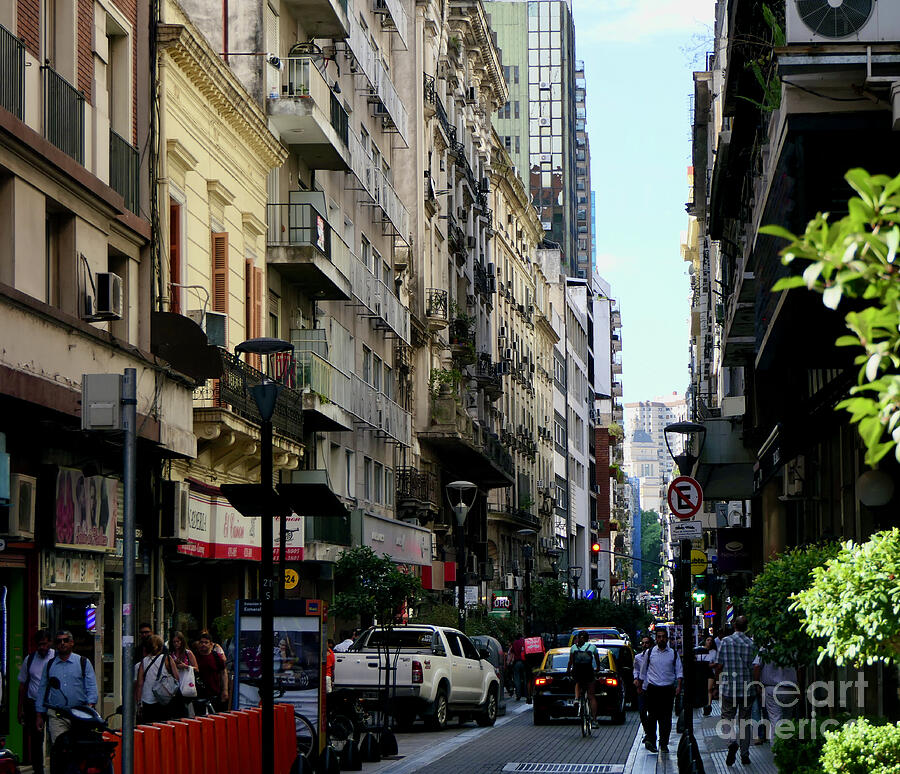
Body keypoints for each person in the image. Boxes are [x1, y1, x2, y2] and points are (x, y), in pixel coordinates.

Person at [34, 631, 99, 752]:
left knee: (80, 749)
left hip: (80, 714)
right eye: (59, 641)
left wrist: (90, 707)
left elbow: (91, 687)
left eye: (65, 640)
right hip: (57, 715)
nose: (62, 643)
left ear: (72, 643)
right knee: (60, 749)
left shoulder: (83, 662)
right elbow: (42, 690)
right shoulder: (49, 665)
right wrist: (39, 715)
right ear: (55, 644)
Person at [715, 615, 759, 767]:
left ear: (734, 625)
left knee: (726, 718)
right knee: (745, 722)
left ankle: (731, 742)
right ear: (747, 627)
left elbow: (719, 665)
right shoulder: (752, 644)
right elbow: (755, 667)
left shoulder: (725, 642)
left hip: (729, 688)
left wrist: (716, 683)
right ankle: (745, 754)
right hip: (747, 689)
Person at [637, 627, 682, 754]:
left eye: (663, 637)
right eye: (659, 637)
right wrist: (640, 686)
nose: (661, 639)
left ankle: (664, 743)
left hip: (667, 689)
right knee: (652, 716)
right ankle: (651, 740)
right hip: (653, 688)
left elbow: (679, 671)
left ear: (667, 638)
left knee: (666, 718)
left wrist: (678, 686)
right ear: (656, 638)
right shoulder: (650, 652)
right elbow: (643, 670)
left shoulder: (673, 653)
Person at [17, 629, 54, 774]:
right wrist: (19, 709)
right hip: (32, 704)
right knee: (36, 741)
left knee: (56, 738)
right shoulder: (30, 659)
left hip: (52, 704)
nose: (42, 648)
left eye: (45, 644)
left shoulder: (56, 658)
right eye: (39, 645)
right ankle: (38, 770)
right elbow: (22, 685)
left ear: (50, 643)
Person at [753, 649, 798, 740]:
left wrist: (757, 684)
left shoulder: (765, 647)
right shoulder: (792, 646)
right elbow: (800, 668)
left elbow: (757, 666)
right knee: (787, 720)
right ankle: (786, 746)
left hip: (771, 688)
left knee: (775, 720)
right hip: (790, 688)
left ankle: (777, 749)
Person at [136, 635, 178, 723]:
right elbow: (177, 678)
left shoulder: (143, 662)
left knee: (149, 727)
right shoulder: (167, 659)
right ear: (161, 647)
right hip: (165, 699)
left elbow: (140, 684)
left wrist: (139, 703)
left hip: (147, 699)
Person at [567, 631, 602, 727]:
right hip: (588, 672)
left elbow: (570, 661)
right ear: (588, 638)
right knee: (591, 696)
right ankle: (594, 720)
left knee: (577, 683)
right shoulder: (592, 647)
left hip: (577, 672)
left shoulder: (574, 647)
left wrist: (568, 670)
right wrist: (598, 668)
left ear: (578, 638)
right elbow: (597, 661)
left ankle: (577, 699)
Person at [194, 631, 228, 713]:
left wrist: (225, 690)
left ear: (211, 644)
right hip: (198, 695)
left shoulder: (216, 657)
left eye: (206, 642)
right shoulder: (194, 656)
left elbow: (223, 673)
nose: (203, 644)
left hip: (214, 694)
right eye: (201, 642)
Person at [169, 631, 199, 719]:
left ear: (182, 641)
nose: (176, 644)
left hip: (186, 683)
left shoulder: (188, 653)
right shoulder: (171, 654)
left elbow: (196, 668)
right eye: (174, 642)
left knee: (187, 710)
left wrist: (186, 666)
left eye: (178, 641)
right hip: (175, 685)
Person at [632, 635, 654, 742]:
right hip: (642, 687)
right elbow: (636, 669)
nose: (645, 645)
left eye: (647, 643)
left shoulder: (654, 656)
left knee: (652, 712)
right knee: (642, 711)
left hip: (652, 686)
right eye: (643, 643)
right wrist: (636, 679)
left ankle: (650, 734)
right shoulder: (638, 657)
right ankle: (647, 731)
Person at [696, 636, 718, 716]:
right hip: (700, 672)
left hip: (709, 672)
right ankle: (702, 703)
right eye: (708, 640)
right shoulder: (698, 649)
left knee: (709, 689)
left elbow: (716, 663)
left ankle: (708, 706)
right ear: (705, 641)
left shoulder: (713, 652)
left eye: (711, 640)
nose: (709, 642)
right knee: (702, 689)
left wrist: (707, 665)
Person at [509, 633, 527, 701]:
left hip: (517, 662)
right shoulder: (525, 641)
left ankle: (518, 695)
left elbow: (511, 652)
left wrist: (509, 663)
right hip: (525, 662)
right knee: (526, 679)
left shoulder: (515, 643)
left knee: (517, 679)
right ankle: (527, 694)